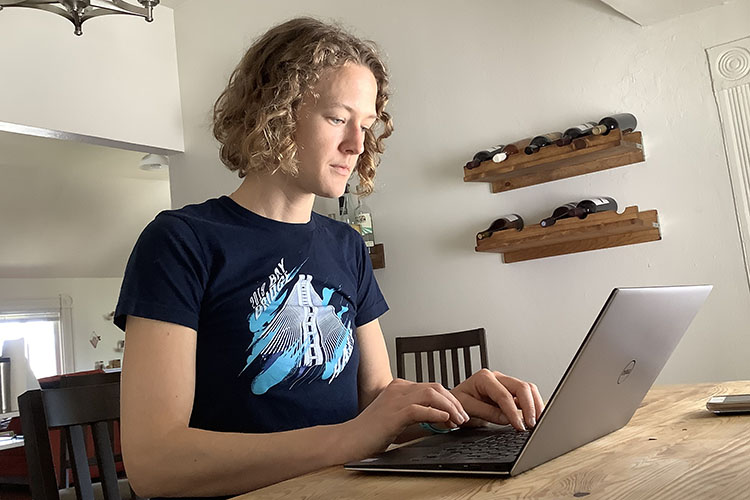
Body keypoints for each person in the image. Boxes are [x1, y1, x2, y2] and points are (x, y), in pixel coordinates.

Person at [115, 17, 544, 500]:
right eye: (338, 118)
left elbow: (377, 402)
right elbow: (155, 463)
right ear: (272, 112)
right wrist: (347, 439)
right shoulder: (180, 242)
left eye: (365, 125)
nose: (357, 146)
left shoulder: (345, 246)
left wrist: (449, 408)